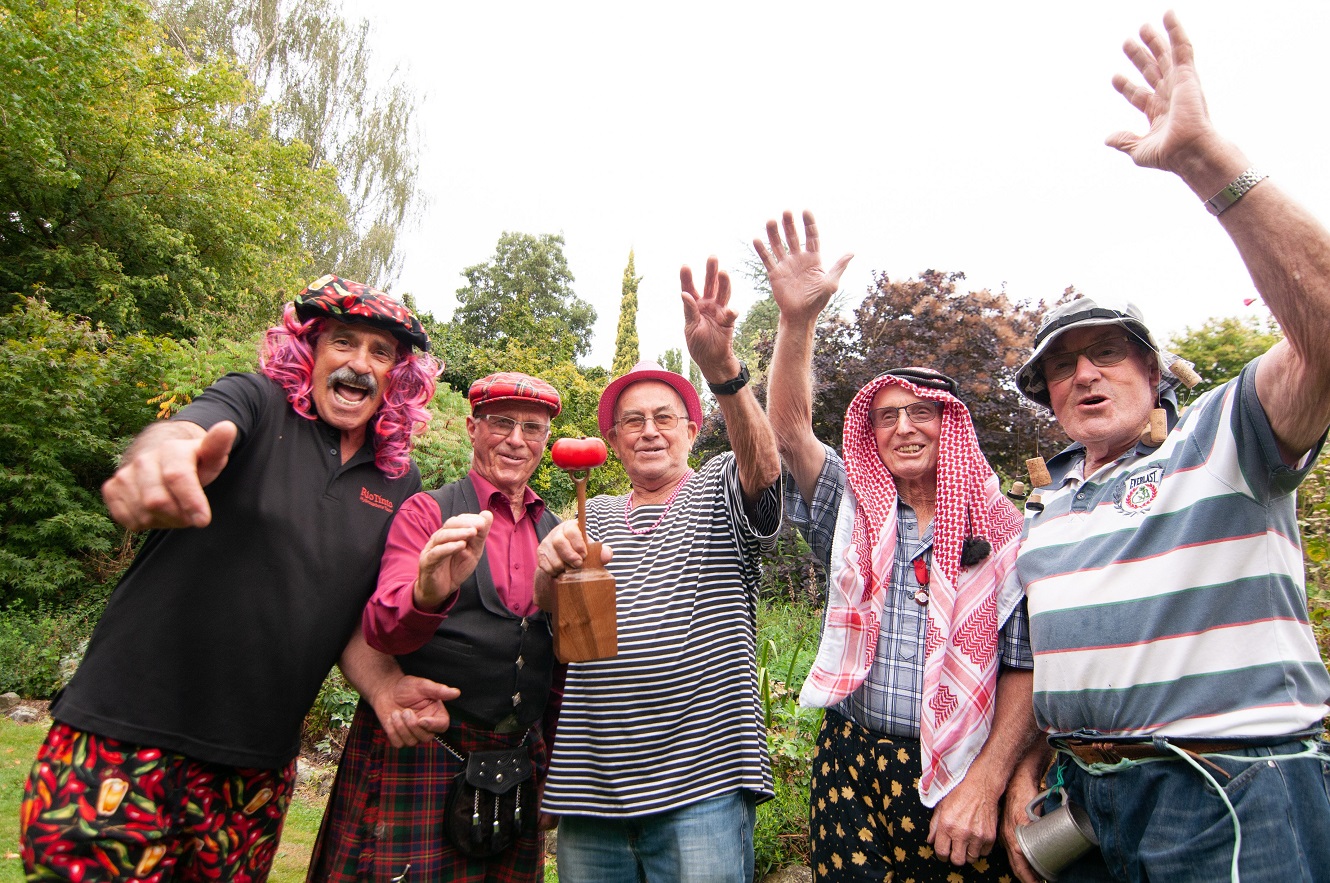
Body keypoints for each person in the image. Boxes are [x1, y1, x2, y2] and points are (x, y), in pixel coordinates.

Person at [1004, 13, 1330, 883]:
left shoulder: (1226, 439)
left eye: (1106, 353)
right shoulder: (1051, 508)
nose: (1083, 375)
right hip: (1087, 800)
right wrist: (1030, 769)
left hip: (1227, 791)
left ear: (1155, 374)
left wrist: (1205, 160)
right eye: (1062, 367)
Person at [21, 275, 455, 883]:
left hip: (254, 773)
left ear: (397, 376)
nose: (360, 364)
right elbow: (183, 433)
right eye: (343, 342)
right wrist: (160, 456)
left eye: (380, 352)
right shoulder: (254, 402)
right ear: (309, 350)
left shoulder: (396, 482)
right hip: (122, 740)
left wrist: (385, 690)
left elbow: (350, 620)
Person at [760, 211, 1040, 881]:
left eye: (922, 413)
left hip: (959, 772)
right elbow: (792, 431)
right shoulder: (853, 512)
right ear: (871, 431)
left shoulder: (1007, 531)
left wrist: (988, 782)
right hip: (851, 763)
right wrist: (797, 322)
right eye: (887, 416)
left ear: (954, 427)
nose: (904, 427)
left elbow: (1026, 667)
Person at [532, 257, 783, 882]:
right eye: (632, 422)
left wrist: (724, 371)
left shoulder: (721, 489)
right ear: (613, 442)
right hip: (590, 790)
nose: (649, 432)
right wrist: (547, 567)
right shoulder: (594, 514)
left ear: (693, 432)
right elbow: (553, 616)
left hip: (704, 784)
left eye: (664, 418)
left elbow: (765, 475)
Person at [308, 371, 565, 883]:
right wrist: (428, 591)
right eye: (501, 423)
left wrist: (556, 769)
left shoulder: (555, 531)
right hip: (425, 748)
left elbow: (555, 665)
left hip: (517, 758)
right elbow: (381, 628)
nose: (517, 440)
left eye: (532, 428)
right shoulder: (426, 512)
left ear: (544, 442)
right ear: (472, 428)